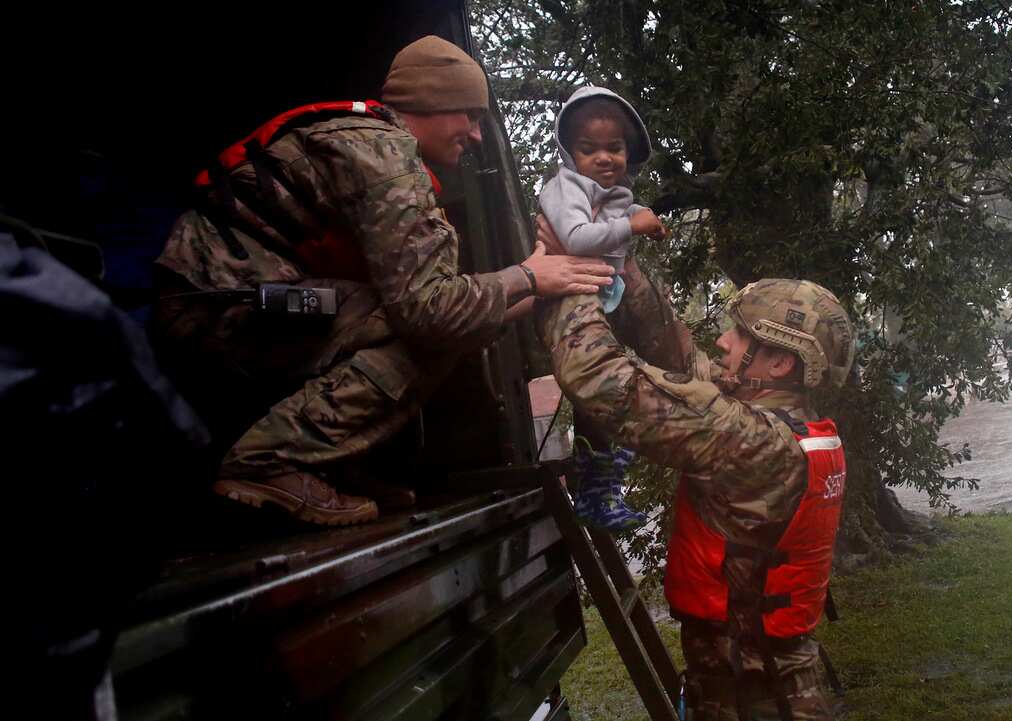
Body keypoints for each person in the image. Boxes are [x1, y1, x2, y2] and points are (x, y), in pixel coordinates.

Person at [151, 35, 615, 526]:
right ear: (433, 103)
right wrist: (527, 275)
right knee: (425, 332)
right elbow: (430, 312)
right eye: (470, 115)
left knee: (436, 319)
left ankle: (329, 464)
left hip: (231, 297)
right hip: (218, 303)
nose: (477, 134)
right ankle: (272, 461)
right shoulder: (386, 157)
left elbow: (451, 301)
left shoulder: (375, 144)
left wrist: (539, 288)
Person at [536, 223, 854, 720]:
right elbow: (683, 361)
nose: (723, 342)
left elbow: (599, 378)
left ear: (776, 363)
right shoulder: (794, 432)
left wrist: (566, 275)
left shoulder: (751, 441)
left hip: (755, 698)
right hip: (764, 682)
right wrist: (627, 270)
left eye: (740, 334)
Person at [538, 86, 666, 532]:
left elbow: (627, 212)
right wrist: (632, 224)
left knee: (626, 375)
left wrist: (642, 216)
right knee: (596, 390)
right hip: (570, 300)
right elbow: (574, 237)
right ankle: (596, 488)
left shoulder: (611, 192)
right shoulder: (565, 188)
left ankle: (608, 468)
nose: (604, 158)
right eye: (588, 149)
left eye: (615, 148)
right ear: (570, 153)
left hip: (603, 296)